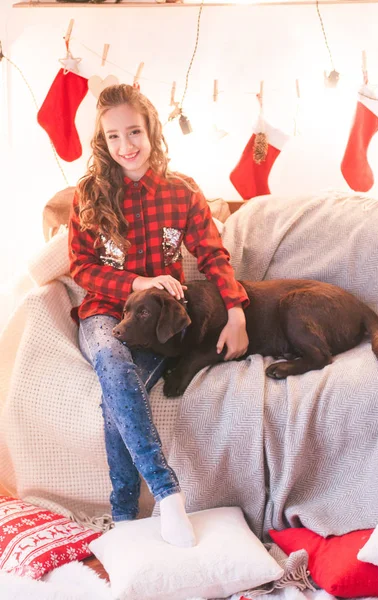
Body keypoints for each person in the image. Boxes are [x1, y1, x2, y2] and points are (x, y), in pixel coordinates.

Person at [68, 84, 249, 548]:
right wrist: (136, 282)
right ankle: (169, 496)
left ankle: (125, 518)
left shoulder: (182, 192)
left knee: (117, 398)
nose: (126, 146)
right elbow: (82, 268)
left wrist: (235, 310)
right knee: (111, 361)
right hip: (106, 312)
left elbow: (212, 255)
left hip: (157, 326)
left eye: (134, 132)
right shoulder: (88, 194)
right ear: (102, 143)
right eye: (113, 137)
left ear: (152, 131)